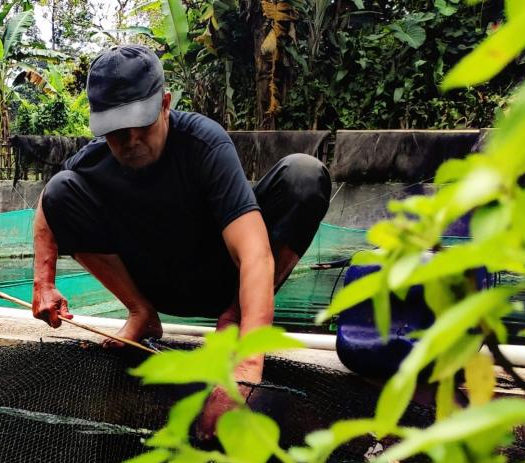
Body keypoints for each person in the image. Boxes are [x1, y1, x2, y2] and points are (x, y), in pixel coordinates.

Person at [31, 44, 331, 432]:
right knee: (60, 190)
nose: (132, 139)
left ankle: (234, 317)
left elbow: (255, 253)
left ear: (166, 103)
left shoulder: (205, 144)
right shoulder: (95, 159)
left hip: (224, 280)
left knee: (305, 175)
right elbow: (45, 209)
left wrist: (247, 367)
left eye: (143, 122)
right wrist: (44, 283)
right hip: (157, 281)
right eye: (118, 131)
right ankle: (142, 315)